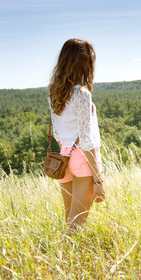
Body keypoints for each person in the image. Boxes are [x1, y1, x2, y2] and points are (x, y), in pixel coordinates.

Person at [47, 38, 105, 230]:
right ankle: (67, 259)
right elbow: (87, 140)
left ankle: (63, 256)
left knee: (69, 220)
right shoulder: (81, 94)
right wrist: (99, 180)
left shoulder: (54, 93)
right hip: (82, 158)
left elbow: (57, 132)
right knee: (77, 223)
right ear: (84, 62)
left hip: (63, 157)